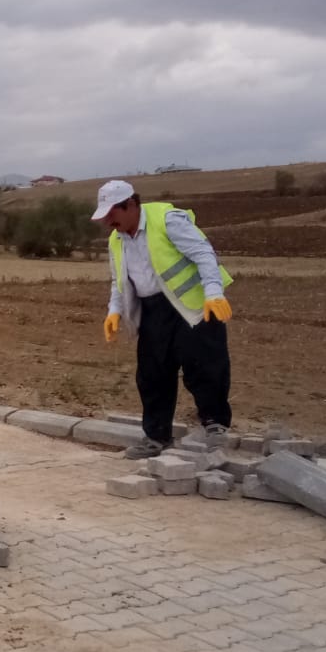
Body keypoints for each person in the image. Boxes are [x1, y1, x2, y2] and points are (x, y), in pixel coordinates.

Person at [93, 179, 234, 460]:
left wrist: (213, 293)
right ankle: (157, 436)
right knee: (152, 373)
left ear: (130, 205)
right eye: (104, 216)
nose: (108, 222)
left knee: (204, 366)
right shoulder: (116, 239)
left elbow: (204, 253)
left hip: (192, 306)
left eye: (112, 214)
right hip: (153, 311)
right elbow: (118, 281)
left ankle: (215, 426)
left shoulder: (168, 220)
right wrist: (114, 311)